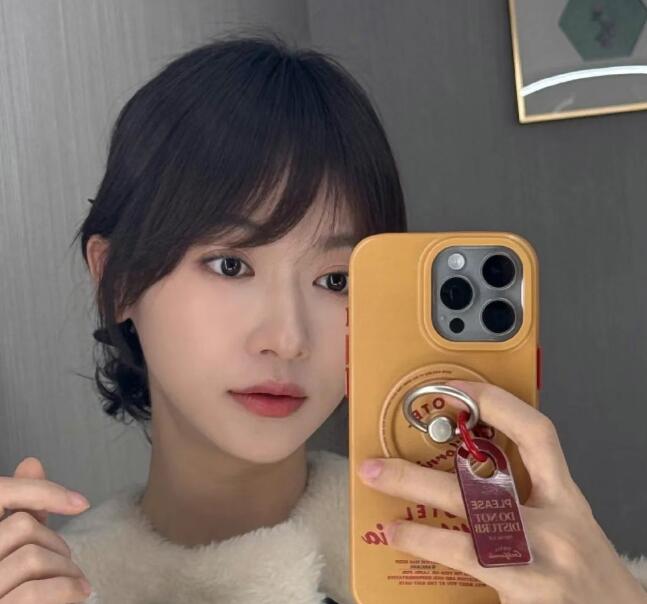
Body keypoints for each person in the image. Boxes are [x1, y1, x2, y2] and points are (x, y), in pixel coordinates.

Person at [0, 30, 645, 604]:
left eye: (337, 280)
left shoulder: (483, 575)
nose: (287, 339)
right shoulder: (49, 584)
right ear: (117, 278)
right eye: (230, 265)